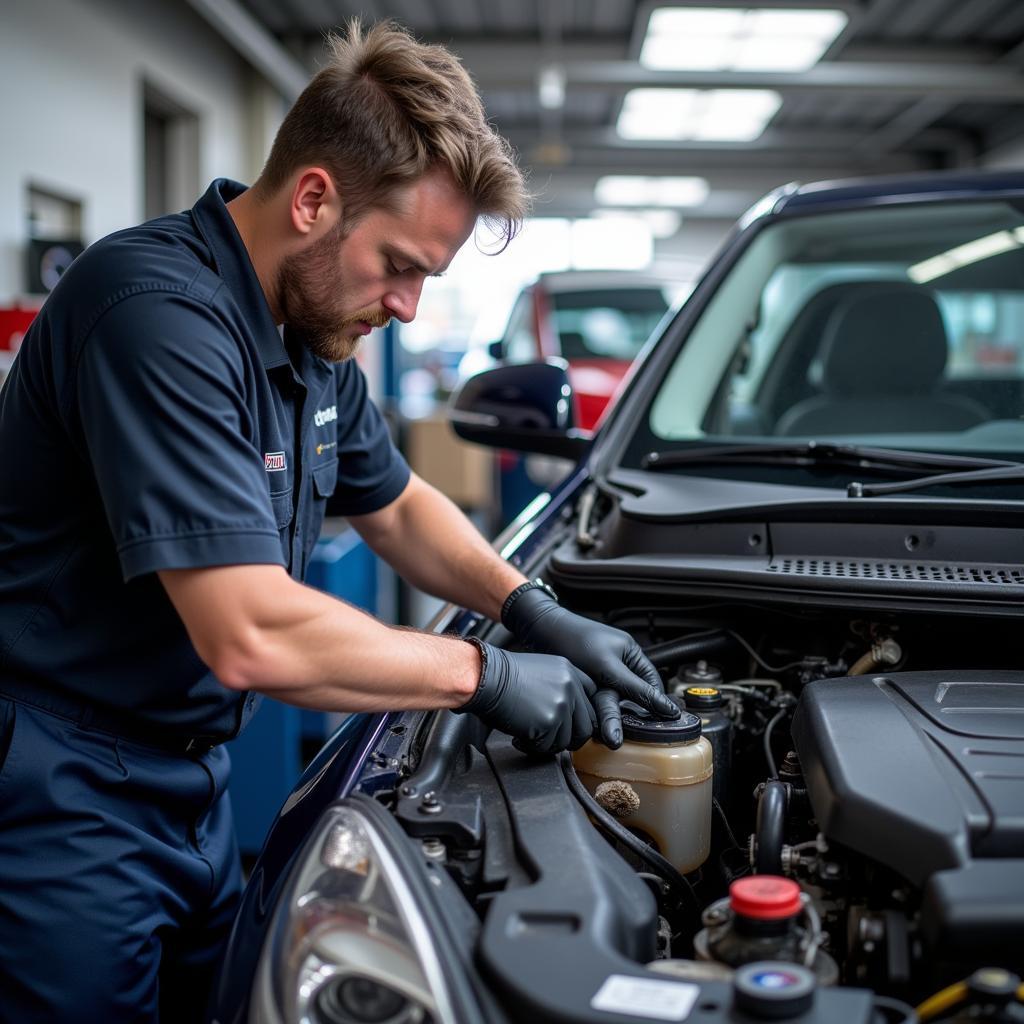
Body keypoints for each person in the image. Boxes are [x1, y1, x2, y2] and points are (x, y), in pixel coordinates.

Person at [0, 19, 677, 1023]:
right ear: (314, 197)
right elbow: (249, 630)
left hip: (193, 784)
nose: (406, 306)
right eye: (399, 264)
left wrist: (528, 607)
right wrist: (481, 674)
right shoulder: (153, 314)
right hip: (64, 795)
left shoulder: (310, 332)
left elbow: (396, 503)